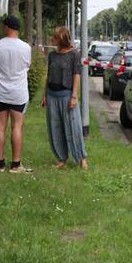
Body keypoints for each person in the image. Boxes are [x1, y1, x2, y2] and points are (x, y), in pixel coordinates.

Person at [42, 26, 88, 170]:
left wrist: (74, 96)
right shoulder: (52, 55)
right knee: (55, 128)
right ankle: (61, 158)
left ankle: (81, 158)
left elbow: (76, 75)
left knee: (74, 127)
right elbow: (48, 76)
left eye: (54, 37)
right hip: (52, 95)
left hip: (67, 95)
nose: (52, 39)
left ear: (61, 39)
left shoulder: (74, 54)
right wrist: (44, 95)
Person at [0, 16, 33, 173]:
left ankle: (0, 164)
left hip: (0, 91)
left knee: (0, 127)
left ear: (7, 27)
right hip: (18, 93)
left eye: (3, 26)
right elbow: (27, 66)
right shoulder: (26, 47)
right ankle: (15, 164)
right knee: (17, 126)